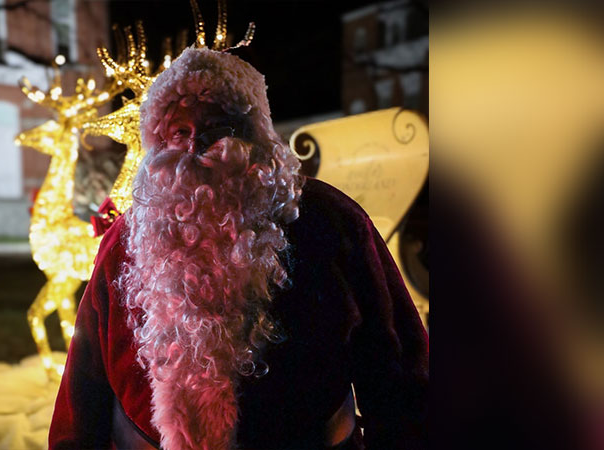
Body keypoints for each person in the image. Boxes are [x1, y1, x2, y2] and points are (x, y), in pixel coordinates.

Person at [49, 47, 428, 450]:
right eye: (179, 132)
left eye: (216, 130)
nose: (195, 148)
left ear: (256, 139)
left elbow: (398, 367)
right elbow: (82, 388)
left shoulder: (329, 221)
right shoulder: (125, 239)